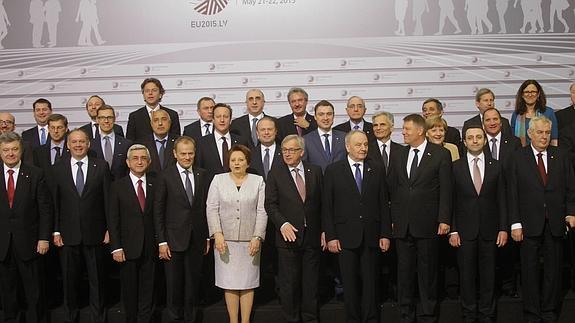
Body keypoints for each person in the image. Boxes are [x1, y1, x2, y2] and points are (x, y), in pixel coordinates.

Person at [508, 116, 575, 322]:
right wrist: (515, 223)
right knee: (529, 271)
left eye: (547, 132)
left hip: (555, 223)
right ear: (530, 134)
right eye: (539, 132)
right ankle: (532, 313)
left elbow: (571, 187)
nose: (544, 137)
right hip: (528, 224)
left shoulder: (561, 155)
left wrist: (570, 212)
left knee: (553, 271)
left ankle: (549, 311)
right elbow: (512, 192)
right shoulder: (518, 157)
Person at [387, 114, 452, 323]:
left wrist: (444, 219)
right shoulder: (398, 154)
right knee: (404, 274)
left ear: (420, 131)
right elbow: (393, 189)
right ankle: (406, 315)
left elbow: (446, 190)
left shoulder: (441, 154)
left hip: (428, 224)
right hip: (402, 225)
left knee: (428, 274)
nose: (403, 132)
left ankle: (428, 315)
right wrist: (392, 218)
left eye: (406, 129)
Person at [323, 130, 391, 323]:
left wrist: (385, 234)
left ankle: (371, 319)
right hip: (344, 237)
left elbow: (383, 203)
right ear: (347, 147)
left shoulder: (376, 168)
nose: (363, 148)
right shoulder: (333, 170)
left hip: (371, 235)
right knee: (349, 285)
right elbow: (328, 207)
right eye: (358, 145)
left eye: (365, 145)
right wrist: (331, 236)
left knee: (371, 283)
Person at [449, 125, 508, 323]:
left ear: (484, 140)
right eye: (470, 138)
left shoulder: (496, 165)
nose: (475, 140)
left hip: (490, 230)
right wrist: (453, 230)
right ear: (464, 142)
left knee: (489, 275)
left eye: (478, 137)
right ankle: (468, 314)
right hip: (464, 231)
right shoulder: (455, 167)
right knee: (466, 276)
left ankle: (487, 314)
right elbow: (451, 201)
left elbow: (502, 199)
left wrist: (503, 228)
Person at [52, 129, 111, 323]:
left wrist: (109, 229)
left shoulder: (101, 166)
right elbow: (55, 202)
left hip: (95, 233)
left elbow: (107, 201)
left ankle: (98, 317)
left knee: (98, 281)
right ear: (68, 145)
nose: (78, 145)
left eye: (82, 141)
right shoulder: (57, 168)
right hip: (67, 234)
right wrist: (56, 230)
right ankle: (71, 316)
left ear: (88, 144)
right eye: (74, 142)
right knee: (69, 281)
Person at [265, 134, 323, 323]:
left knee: (311, 284)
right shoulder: (275, 172)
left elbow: (321, 204)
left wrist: (324, 231)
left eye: (292, 150)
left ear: (302, 152)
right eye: (284, 150)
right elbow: (270, 205)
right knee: (289, 285)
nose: (287, 154)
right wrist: (282, 223)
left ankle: (310, 319)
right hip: (287, 238)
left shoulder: (315, 171)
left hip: (312, 237)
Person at [206, 144, 267, 323]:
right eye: (233, 160)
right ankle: (233, 320)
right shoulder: (218, 180)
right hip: (225, 241)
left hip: (250, 242)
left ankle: (245, 320)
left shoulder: (258, 181)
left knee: (248, 283)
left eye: (241, 160)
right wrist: (217, 234)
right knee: (230, 283)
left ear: (248, 162)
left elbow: (262, 211)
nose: (236, 163)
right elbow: (211, 209)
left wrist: (257, 237)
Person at [154, 136, 210, 322]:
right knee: (174, 286)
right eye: (183, 154)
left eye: (190, 153)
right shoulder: (165, 175)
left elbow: (204, 208)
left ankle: (191, 319)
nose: (187, 157)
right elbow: (158, 211)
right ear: (175, 154)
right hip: (172, 241)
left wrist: (207, 238)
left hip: (197, 240)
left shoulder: (203, 174)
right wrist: (162, 241)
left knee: (193, 285)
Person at [0, 131, 52, 323]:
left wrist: (44, 237)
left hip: (30, 243)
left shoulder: (35, 174)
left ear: (21, 150)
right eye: (6, 150)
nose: (10, 153)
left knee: (34, 292)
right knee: (7, 291)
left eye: (14, 149)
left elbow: (45, 209)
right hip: (3, 244)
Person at [108, 144, 157, 323]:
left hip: (150, 246)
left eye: (143, 158)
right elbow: (113, 219)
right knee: (129, 290)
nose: (139, 161)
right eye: (135, 158)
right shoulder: (117, 186)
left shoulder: (155, 183)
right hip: (127, 248)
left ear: (149, 162)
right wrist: (116, 247)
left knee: (149, 289)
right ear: (128, 162)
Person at [195, 103, 248, 178]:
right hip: (211, 187)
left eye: (225, 117)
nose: (222, 120)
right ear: (213, 119)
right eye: (218, 117)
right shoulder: (202, 143)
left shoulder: (241, 141)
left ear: (230, 120)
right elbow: (199, 170)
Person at [511, 79, 559, 146]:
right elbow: (513, 139)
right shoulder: (516, 114)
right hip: (521, 154)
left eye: (533, 92)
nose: (530, 95)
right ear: (522, 94)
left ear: (538, 94)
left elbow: (554, 139)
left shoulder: (548, 112)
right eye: (526, 92)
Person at [303, 100, 346, 173]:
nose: (325, 118)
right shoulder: (306, 140)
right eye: (321, 114)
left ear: (333, 116)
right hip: (317, 183)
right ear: (315, 117)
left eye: (329, 114)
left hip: (340, 183)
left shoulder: (344, 137)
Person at [90, 105, 131, 180]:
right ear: (97, 120)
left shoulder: (126, 144)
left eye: (109, 117)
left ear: (114, 119)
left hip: (121, 188)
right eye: (102, 118)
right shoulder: (90, 145)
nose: (106, 121)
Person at [141, 109, 178, 176]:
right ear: (151, 124)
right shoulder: (142, 144)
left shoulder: (178, 142)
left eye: (164, 119)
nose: (160, 123)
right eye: (156, 120)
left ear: (169, 123)